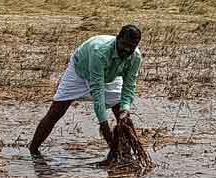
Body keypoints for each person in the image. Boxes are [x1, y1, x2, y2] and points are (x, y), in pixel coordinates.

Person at [29, 24, 142, 156]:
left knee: (123, 116)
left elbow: (128, 88)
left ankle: (129, 153)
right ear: (117, 39)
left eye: (131, 47)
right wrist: (104, 125)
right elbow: (97, 91)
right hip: (80, 71)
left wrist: (125, 110)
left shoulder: (136, 57)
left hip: (110, 75)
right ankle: (33, 150)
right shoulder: (99, 51)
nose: (126, 50)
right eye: (124, 45)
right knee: (56, 111)